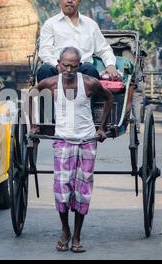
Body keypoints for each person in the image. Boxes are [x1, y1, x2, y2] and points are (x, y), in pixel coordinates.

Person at [31, 47, 113, 253]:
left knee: (82, 192)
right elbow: (30, 96)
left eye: (73, 66)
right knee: (62, 190)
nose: (68, 70)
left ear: (79, 66)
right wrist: (33, 123)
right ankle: (65, 230)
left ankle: (76, 236)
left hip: (87, 141)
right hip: (63, 141)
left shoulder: (89, 83)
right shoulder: (50, 83)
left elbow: (109, 98)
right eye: (65, 65)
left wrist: (101, 127)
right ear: (58, 64)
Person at [37, 0, 119, 83]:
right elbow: (45, 51)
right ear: (61, 0)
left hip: (83, 69)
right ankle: (48, 98)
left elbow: (104, 50)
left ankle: (91, 99)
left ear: (79, 2)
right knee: (44, 70)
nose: (70, 0)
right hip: (57, 69)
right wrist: (57, 65)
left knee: (90, 69)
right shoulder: (50, 24)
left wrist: (110, 65)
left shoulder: (90, 24)